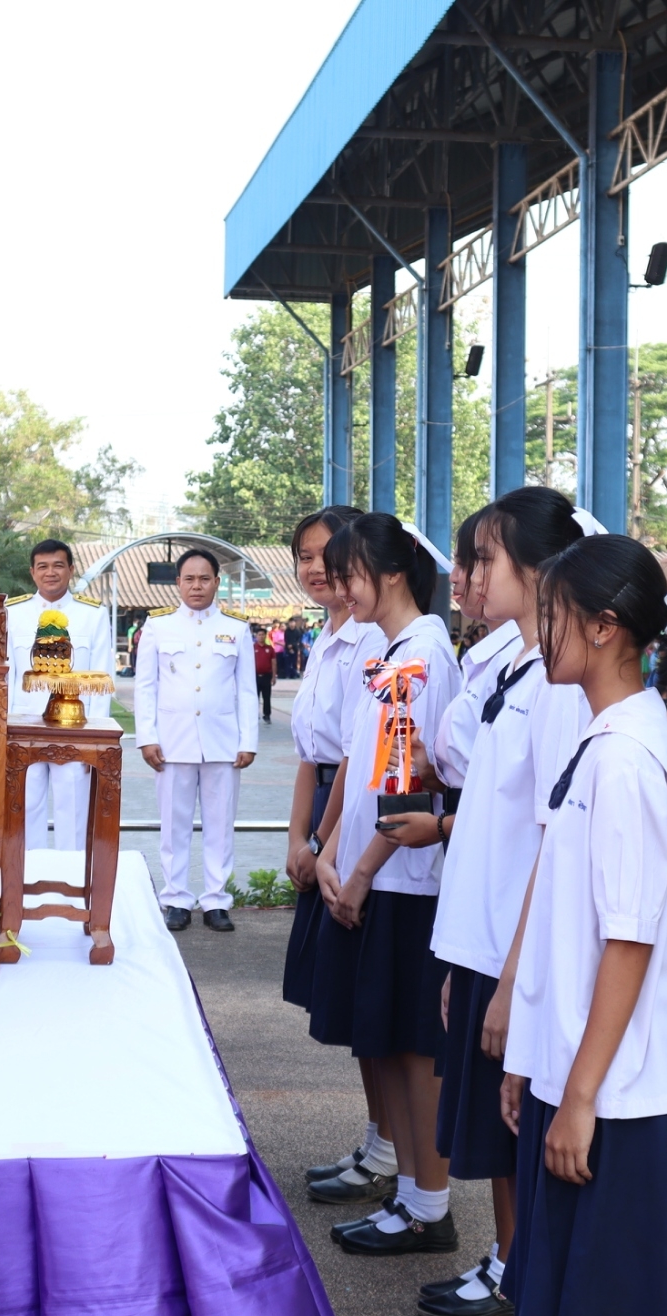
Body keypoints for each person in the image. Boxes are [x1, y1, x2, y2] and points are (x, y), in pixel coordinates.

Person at [498, 533, 667, 1316]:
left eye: (551, 614)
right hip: (591, 1074)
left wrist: (581, 1096)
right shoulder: (608, 740)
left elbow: (628, 942)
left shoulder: (626, 758)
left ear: (602, 627)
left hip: (619, 1094)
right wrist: (536, 1061)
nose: (539, 632)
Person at [384, 488, 586, 1316]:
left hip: (516, 945)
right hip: (484, 936)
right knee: (497, 1132)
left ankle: (534, 1289)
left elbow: (550, 840)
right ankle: (513, 1267)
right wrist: (464, 959)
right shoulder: (516, 667)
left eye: (484, 558)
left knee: (518, 1126)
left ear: (536, 569)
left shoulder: (559, 687)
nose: (469, 575)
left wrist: (508, 977)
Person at [311, 514, 462, 1255]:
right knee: (393, 1044)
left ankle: (429, 1204)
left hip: (405, 881)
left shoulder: (422, 656)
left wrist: (361, 870)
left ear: (392, 573)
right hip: (381, 874)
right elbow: (367, 769)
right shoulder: (394, 652)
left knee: (413, 1050)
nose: (340, 589)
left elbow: (408, 786)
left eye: (350, 575)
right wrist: (333, 852)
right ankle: (408, 1193)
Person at [281, 507, 400, 1207]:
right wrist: (295, 835)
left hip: (354, 811)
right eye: (304, 556)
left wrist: (322, 840)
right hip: (326, 803)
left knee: (367, 998)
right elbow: (310, 750)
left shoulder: (372, 637)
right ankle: (377, 1141)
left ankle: (390, 1151)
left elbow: (358, 755)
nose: (316, 568)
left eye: (329, 556)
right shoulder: (325, 636)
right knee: (348, 998)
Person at [136, 548, 258, 931]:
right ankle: (176, 898)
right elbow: (145, 687)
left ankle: (216, 900)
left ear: (217, 582)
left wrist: (249, 741)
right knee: (174, 825)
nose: (197, 586)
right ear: (177, 583)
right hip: (173, 742)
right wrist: (147, 737)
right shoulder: (158, 626)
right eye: (189, 579)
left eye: (205, 578)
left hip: (223, 742)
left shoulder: (236, 628)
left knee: (220, 825)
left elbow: (246, 690)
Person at [6, 540, 113, 851]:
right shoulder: (13, 613)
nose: (50, 573)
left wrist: (96, 740)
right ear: (32, 572)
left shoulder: (92, 614)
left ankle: (71, 876)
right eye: (42, 566)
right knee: (26, 810)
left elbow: (101, 677)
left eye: (58, 566)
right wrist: (5, 730)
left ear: (71, 570)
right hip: (25, 727)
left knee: (73, 810)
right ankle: (28, 876)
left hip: (75, 729)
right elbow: (7, 676)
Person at [253, 626, 277, 723]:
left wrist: (274, 676)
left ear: (265, 636)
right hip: (255, 676)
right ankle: (254, 715)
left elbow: (273, 662)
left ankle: (267, 715)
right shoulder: (252, 648)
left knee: (266, 697)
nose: (261, 636)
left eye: (263, 635)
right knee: (254, 697)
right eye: (259, 635)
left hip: (267, 676)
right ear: (256, 636)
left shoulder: (270, 648)